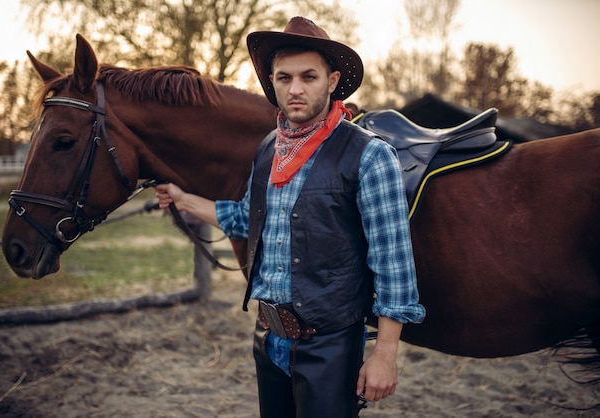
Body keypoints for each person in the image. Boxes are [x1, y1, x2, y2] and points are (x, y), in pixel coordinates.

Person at [156, 16, 425, 418]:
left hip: (330, 345)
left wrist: (385, 354)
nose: (295, 89)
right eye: (284, 78)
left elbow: (394, 264)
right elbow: (247, 220)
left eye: (308, 76)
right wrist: (183, 199)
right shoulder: (269, 148)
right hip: (268, 338)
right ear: (272, 82)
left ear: (332, 81)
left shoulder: (370, 155)